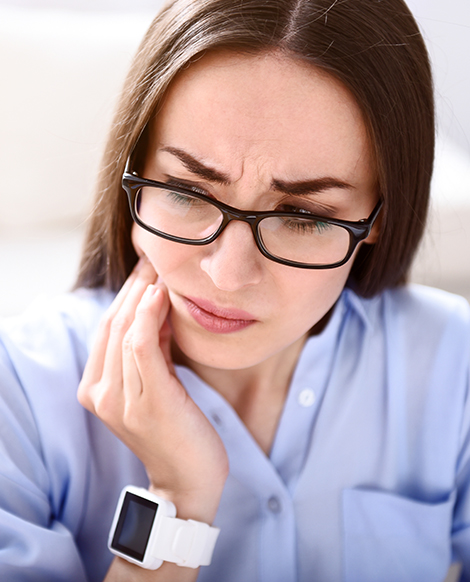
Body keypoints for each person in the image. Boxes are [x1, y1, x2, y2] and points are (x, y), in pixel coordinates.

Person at [1, 0, 469, 580]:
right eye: (188, 192)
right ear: (135, 172)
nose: (226, 274)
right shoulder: (17, 393)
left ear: (379, 217)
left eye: (302, 216)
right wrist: (176, 498)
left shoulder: (455, 368)